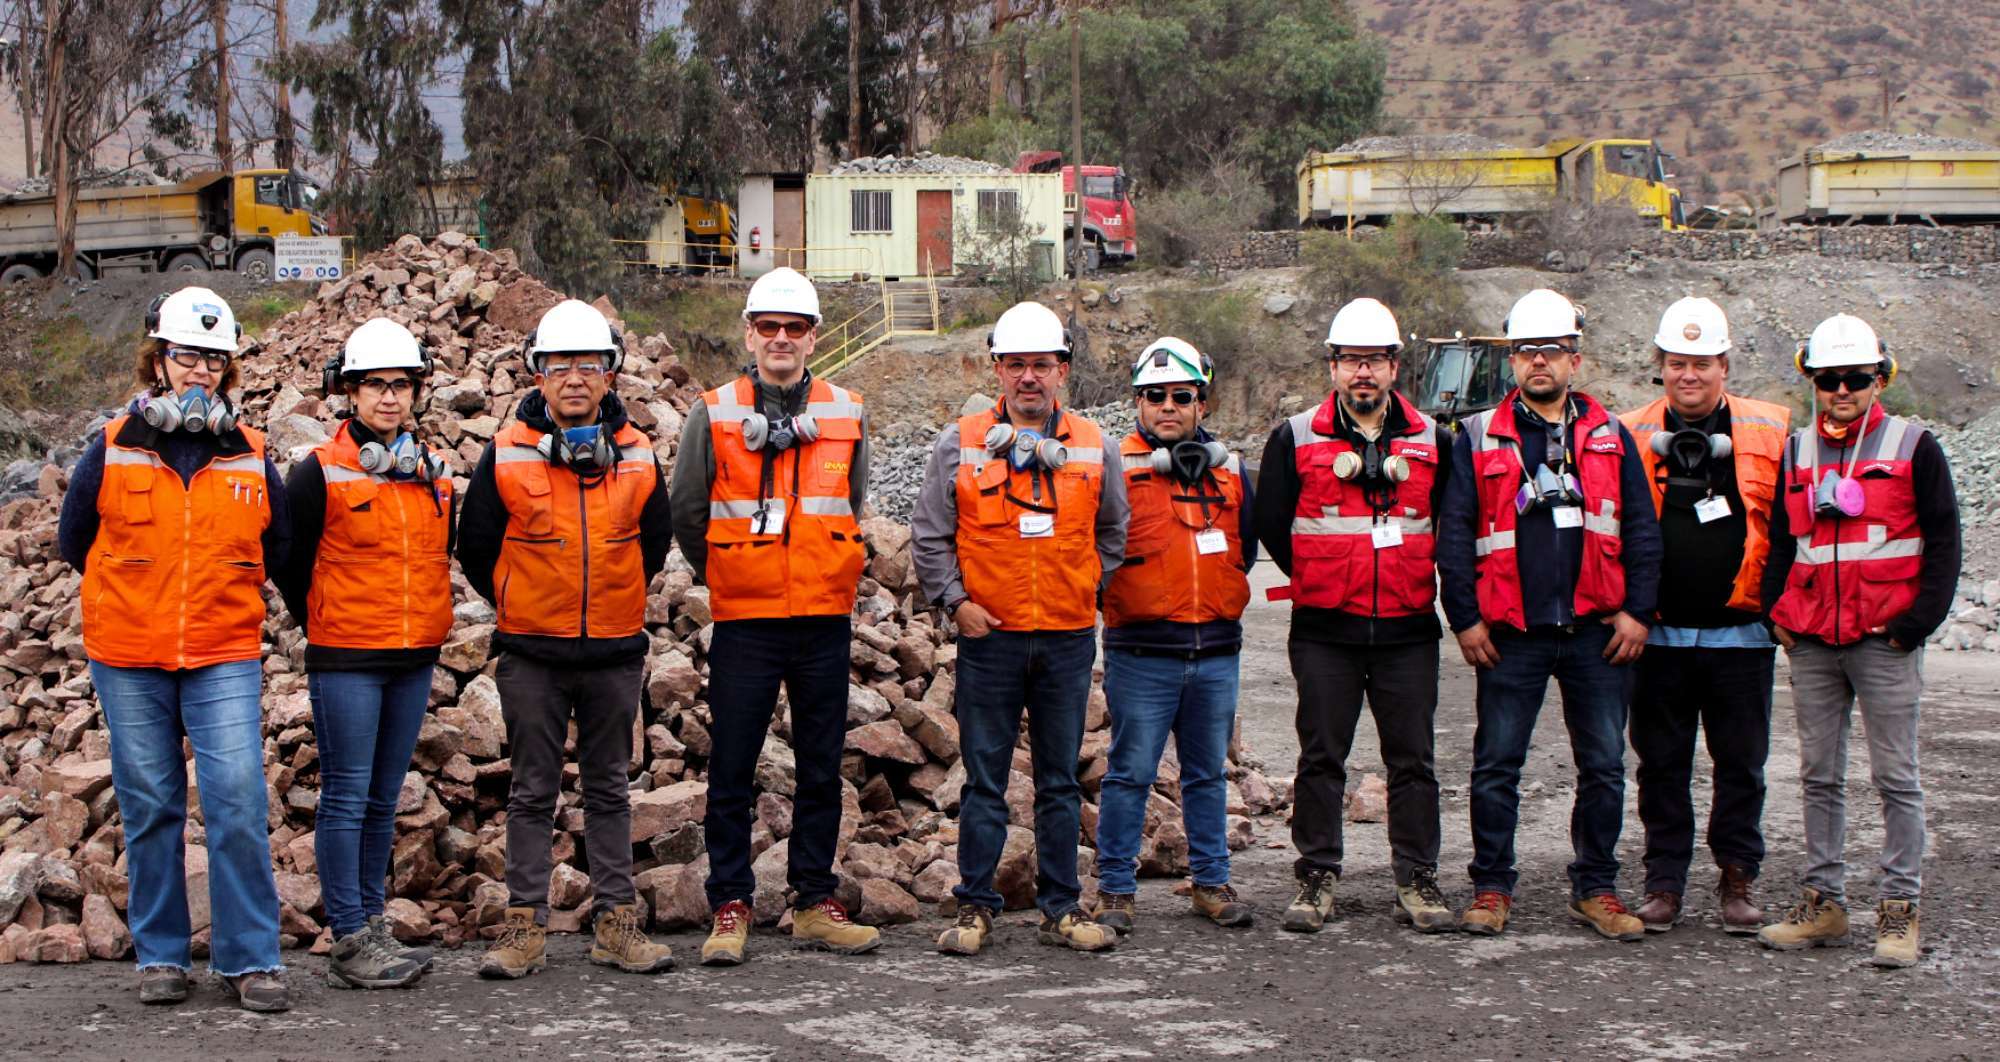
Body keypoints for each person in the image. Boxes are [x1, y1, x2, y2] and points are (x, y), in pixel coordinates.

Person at [56, 287, 292, 1011]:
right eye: (188, 355)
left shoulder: (250, 453)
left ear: (228, 371)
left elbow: (281, 547)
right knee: (152, 804)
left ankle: (250, 959)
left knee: (237, 801)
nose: (200, 371)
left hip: (223, 650)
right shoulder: (111, 446)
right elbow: (73, 541)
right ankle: (160, 955)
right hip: (129, 655)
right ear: (158, 360)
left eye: (214, 361)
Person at [458, 299, 676, 978]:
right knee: (531, 791)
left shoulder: (637, 454)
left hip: (613, 651)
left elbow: (654, 543)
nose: (574, 377)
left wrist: (613, 599)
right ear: (538, 374)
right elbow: (475, 547)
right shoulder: (506, 453)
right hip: (532, 654)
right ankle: (523, 929)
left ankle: (616, 924)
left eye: (588, 364)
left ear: (610, 373)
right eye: (559, 365)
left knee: (610, 789)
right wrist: (520, 601)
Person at [1436, 288, 1662, 941]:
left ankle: (1596, 888)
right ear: (1512, 360)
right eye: (1528, 350)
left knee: (1604, 766)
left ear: (1575, 359)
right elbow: (1455, 534)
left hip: (1598, 632)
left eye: (1553, 350)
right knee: (1496, 766)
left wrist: (1638, 612)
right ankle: (1491, 888)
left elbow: (1642, 530)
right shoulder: (1477, 436)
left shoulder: (1612, 436)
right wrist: (1465, 618)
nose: (1540, 361)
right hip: (1511, 632)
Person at [670, 268, 881, 965]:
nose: (781, 338)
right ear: (750, 334)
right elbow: (688, 511)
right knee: (733, 765)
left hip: (822, 617)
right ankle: (730, 903)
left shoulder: (847, 411)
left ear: (814, 336)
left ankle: (814, 899)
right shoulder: (714, 412)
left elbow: (850, 502)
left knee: (821, 764)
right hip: (747, 619)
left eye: (794, 328)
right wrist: (729, 572)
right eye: (769, 327)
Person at [910, 300, 1128, 956]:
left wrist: (1086, 586)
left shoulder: (1094, 444)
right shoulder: (960, 441)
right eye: (1015, 364)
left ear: (1063, 369)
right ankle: (975, 906)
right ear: (997, 369)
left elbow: (1114, 531)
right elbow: (930, 532)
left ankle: (1061, 908)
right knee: (985, 780)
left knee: (1058, 781)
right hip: (990, 639)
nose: (1028, 376)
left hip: (1065, 638)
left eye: (1041, 364)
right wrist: (955, 602)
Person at [1756, 313, 1960, 968]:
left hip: (1884, 640)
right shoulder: (1797, 451)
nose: (1841, 390)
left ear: (1881, 377)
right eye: (1829, 379)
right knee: (1819, 775)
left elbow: (1944, 542)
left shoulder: (1914, 445)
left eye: (1855, 377)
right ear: (1812, 380)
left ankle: (1899, 908)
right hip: (1814, 639)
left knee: (1895, 776)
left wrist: (1914, 626)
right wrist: (1775, 612)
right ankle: (1825, 902)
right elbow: (1782, 541)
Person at [1253, 298, 1454, 935]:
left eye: (1373, 360)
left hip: (1407, 629)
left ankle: (1417, 877)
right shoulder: (1294, 437)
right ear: (1332, 367)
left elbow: (1452, 527)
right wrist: (1326, 572)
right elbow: (1273, 525)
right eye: (1349, 360)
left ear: (1395, 366)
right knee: (1320, 757)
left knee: (1414, 761)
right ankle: (1316, 876)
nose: (1361, 372)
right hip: (1324, 630)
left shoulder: (1434, 441)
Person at [275, 317, 455, 988]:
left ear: (415, 392)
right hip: (347, 658)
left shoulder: (431, 474)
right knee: (347, 796)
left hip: (412, 657)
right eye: (374, 384)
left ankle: (372, 925)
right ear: (349, 392)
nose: (388, 396)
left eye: (401, 385)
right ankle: (349, 938)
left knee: (383, 798)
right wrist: (324, 621)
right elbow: (287, 561)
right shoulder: (319, 471)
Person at [1617, 297, 1789, 936]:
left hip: (1741, 636)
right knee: (1660, 764)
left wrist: (1779, 612)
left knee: (1741, 764)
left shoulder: (1770, 430)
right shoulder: (1627, 433)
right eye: (1676, 363)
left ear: (1724, 366)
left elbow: (1790, 529)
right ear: (1660, 366)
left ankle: (1738, 877)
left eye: (1702, 363)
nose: (1688, 375)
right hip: (1655, 634)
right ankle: (1664, 881)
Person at [1092, 338, 1256, 935]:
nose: (1168, 406)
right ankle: (1115, 890)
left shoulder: (1230, 471)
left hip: (1215, 649)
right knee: (1129, 773)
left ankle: (1211, 882)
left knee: (1208, 775)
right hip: (1142, 652)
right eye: (1155, 395)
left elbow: (1246, 551)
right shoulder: (1113, 466)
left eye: (1181, 396)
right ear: (1138, 401)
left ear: (1201, 404)